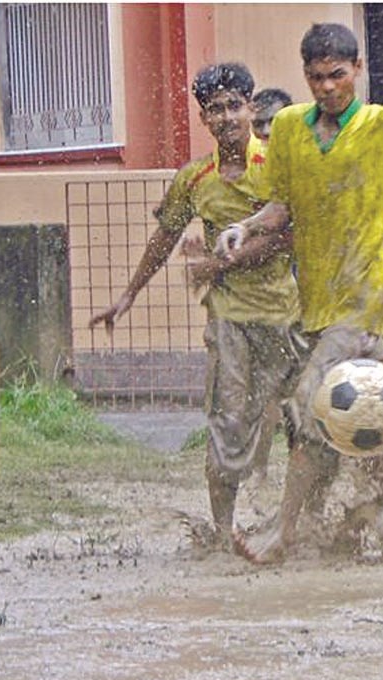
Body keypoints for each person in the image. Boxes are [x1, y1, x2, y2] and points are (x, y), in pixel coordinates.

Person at [215, 23, 383, 564]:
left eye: (337, 75)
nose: (327, 88)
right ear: (306, 75)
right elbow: (281, 207)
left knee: (308, 406)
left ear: (357, 70)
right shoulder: (288, 127)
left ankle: (282, 532)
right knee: (357, 427)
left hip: (366, 301)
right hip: (318, 306)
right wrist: (245, 227)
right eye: (316, 77)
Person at [89, 63, 303, 548]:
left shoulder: (278, 164)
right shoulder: (195, 178)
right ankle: (224, 534)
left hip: (286, 315)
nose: (226, 117)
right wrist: (128, 295)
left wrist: (220, 261)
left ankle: (299, 523)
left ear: (250, 107)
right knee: (227, 423)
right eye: (215, 110)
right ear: (203, 119)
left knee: (303, 420)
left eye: (234, 106)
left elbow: (292, 233)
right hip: (229, 321)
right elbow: (164, 238)